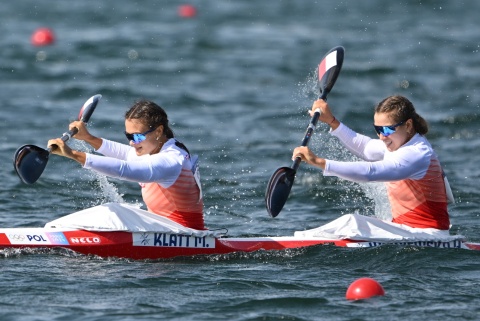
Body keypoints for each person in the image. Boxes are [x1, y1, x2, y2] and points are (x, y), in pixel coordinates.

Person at [292, 95, 453, 231]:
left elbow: (370, 172)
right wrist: (332, 121)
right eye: (378, 129)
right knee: (354, 223)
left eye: (387, 130)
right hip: (407, 231)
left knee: (352, 222)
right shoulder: (398, 142)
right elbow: (365, 146)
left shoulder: (417, 154)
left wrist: (319, 162)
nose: (382, 137)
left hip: (428, 235)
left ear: (408, 125)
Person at [47, 99, 205, 230]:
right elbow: (124, 154)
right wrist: (88, 137)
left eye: (136, 137)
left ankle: (53, 233)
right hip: (168, 230)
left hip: (183, 234)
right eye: (128, 135)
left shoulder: (171, 160)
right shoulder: (159, 148)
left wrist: (73, 154)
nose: (131, 142)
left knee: (114, 211)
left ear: (158, 131)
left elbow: (125, 169)